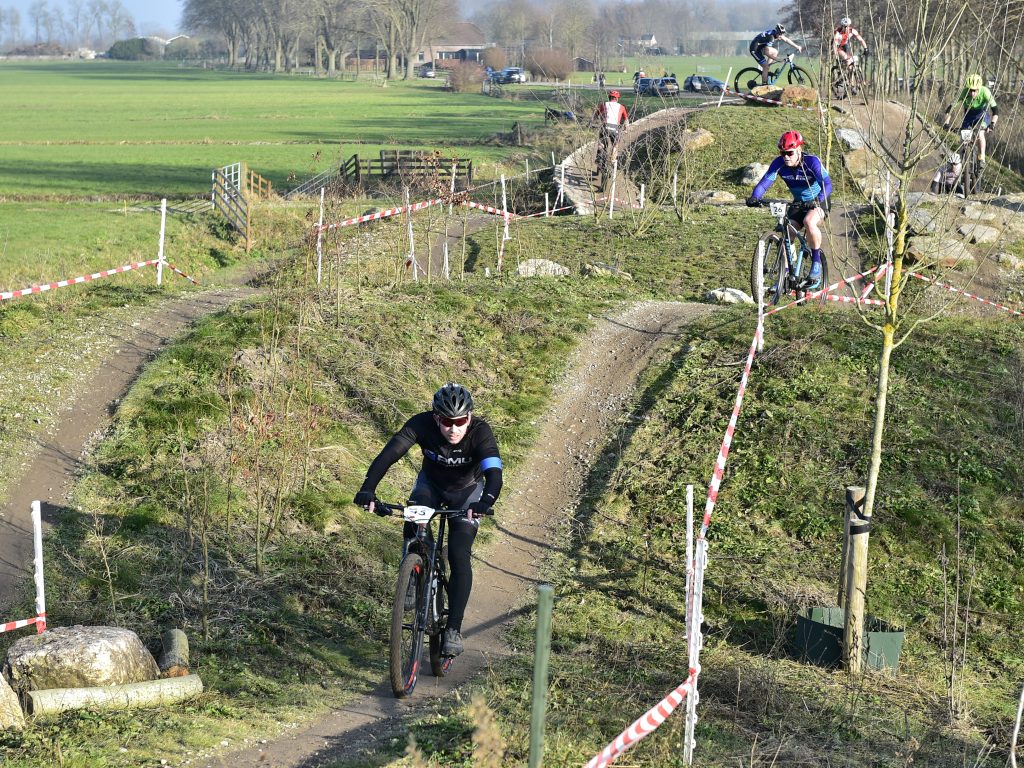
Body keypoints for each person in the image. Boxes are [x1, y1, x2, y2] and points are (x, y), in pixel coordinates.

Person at [354, 383, 503, 658]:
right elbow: (388, 455)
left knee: (459, 553)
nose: (454, 429)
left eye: (460, 421)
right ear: (436, 418)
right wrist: (368, 489)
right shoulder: (420, 424)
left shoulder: (481, 432)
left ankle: (453, 630)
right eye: (447, 422)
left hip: (468, 493)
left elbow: (493, 472)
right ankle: (413, 574)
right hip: (430, 486)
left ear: (469, 417)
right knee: (413, 519)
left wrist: (486, 502)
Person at [746, 131, 833, 289]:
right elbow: (765, 183)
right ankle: (785, 274)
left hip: (820, 200)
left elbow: (828, 185)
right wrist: (755, 197)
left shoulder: (811, 162)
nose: (786, 156)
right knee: (787, 231)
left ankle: (816, 262)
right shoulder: (779, 163)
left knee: (809, 221)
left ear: (799, 150)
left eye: (789, 153)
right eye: (782, 153)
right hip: (799, 202)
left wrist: (818, 200)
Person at [943, 73, 999, 166]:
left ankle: (982, 157)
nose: (972, 93)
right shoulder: (963, 92)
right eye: (970, 90)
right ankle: (961, 160)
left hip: (982, 115)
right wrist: (946, 123)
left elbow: (995, 110)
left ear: (979, 88)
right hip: (968, 115)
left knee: (980, 133)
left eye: (974, 90)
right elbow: (949, 109)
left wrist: (992, 124)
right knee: (963, 138)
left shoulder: (985, 91)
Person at [593, 90, 629, 173]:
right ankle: (612, 162)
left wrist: (592, 123)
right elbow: (626, 120)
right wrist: (626, 129)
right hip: (615, 128)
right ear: (617, 98)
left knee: (601, 143)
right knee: (615, 145)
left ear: (609, 97)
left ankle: (599, 157)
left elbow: (595, 115)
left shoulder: (603, 104)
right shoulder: (621, 107)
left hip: (605, 127)